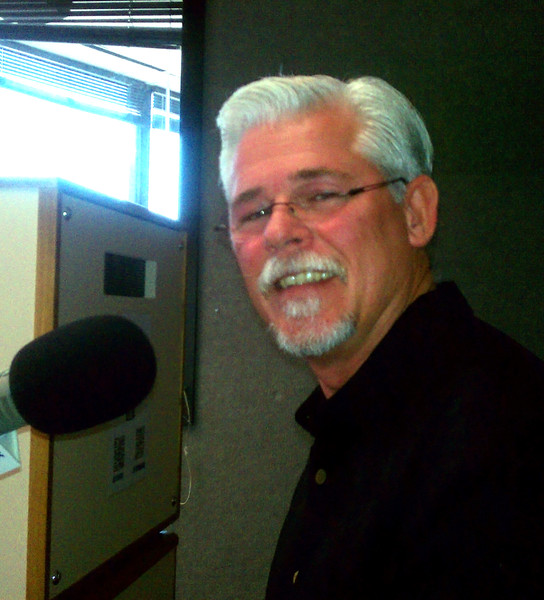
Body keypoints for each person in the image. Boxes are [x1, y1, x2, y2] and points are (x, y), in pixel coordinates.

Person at [216, 75, 544, 599]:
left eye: (320, 194)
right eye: (252, 213)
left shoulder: (506, 442)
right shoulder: (360, 416)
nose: (276, 232)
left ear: (415, 214)